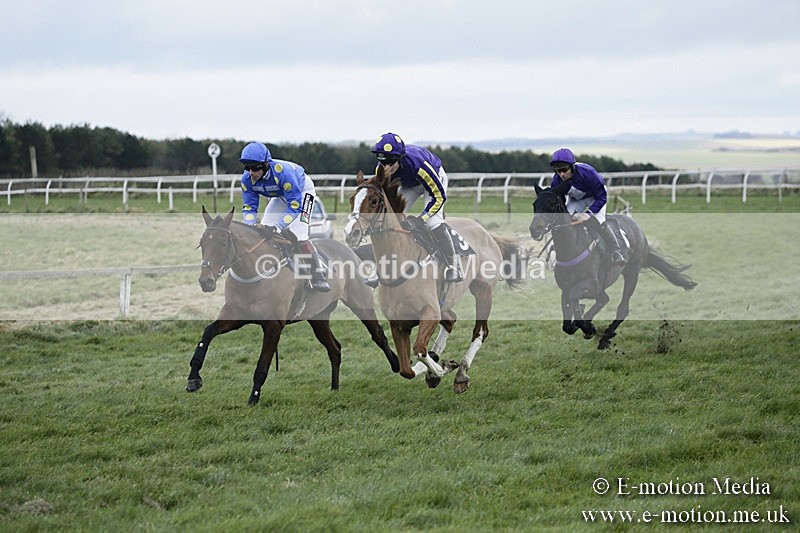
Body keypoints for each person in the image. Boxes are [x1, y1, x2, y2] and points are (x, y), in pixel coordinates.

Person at [370, 132, 463, 282]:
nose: (387, 168)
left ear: (399, 158)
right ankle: (380, 267)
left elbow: (438, 197)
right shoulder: (381, 169)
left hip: (433, 181)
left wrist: (422, 219)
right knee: (390, 219)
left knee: (433, 222)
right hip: (409, 184)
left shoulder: (419, 165)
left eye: (391, 163)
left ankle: (453, 266)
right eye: (383, 163)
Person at [239, 141, 330, 292]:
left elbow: (295, 207)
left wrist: (278, 226)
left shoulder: (283, 173)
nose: (251, 172)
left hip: (302, 192)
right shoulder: (247, 179)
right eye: (247, 168)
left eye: (254, 168)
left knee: (299, 233)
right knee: (264, 230)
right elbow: (249, 207)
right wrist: (249, 228)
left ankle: (318, 273)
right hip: (280, 195)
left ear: (266, 164)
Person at [549, 147, 626, 265]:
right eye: (558, 171)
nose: (562, 174)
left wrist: (588, 214)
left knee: (599, 221)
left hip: (596, 196)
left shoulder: (588, 173)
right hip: (577, 199)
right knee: (564, 221)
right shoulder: (556, 181)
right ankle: (562, 253)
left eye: (564, 170)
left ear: (572, 166)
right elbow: (560, 201)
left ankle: (616, 251)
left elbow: (602, 197)